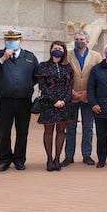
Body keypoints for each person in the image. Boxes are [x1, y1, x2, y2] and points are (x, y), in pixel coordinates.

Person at [0, 29, 39, 172]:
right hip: (4, 101)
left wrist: (26, 86)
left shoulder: (29, 56)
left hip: (23, 101)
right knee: (4, 131)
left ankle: (19, 159)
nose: (11, 42)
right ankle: (4, 160)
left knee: (22, 131)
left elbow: (36, 76)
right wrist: (3, 59)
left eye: (14, 40)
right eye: (8, 40)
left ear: (21, 41)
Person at [63, 29, 101, 166]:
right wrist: (71, 91)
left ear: (87, 41)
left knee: (88, 127)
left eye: (81, 39)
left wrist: (88, 93)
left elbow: (99, 77)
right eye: (77, 39)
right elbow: (64, 76)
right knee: (70, 128)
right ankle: (69, 155)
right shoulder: (67, 55)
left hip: (87, 97)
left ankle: (86, 154)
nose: (79, 41)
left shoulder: (96, 56)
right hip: (71, 96)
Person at [35, 41, 73, 171]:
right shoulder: (43, 66)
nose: (57, 50)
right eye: (55, 48)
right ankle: (49, 159)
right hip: (49, 103)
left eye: (60, 49)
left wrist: (64, 100)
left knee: (61, 131)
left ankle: (57, 158)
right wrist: (54, 100)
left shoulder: (68, 67)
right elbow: (42, 86)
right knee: (48, 131)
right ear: (51, 50)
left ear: (64, 51)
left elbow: (70, 86)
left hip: (64, 103)